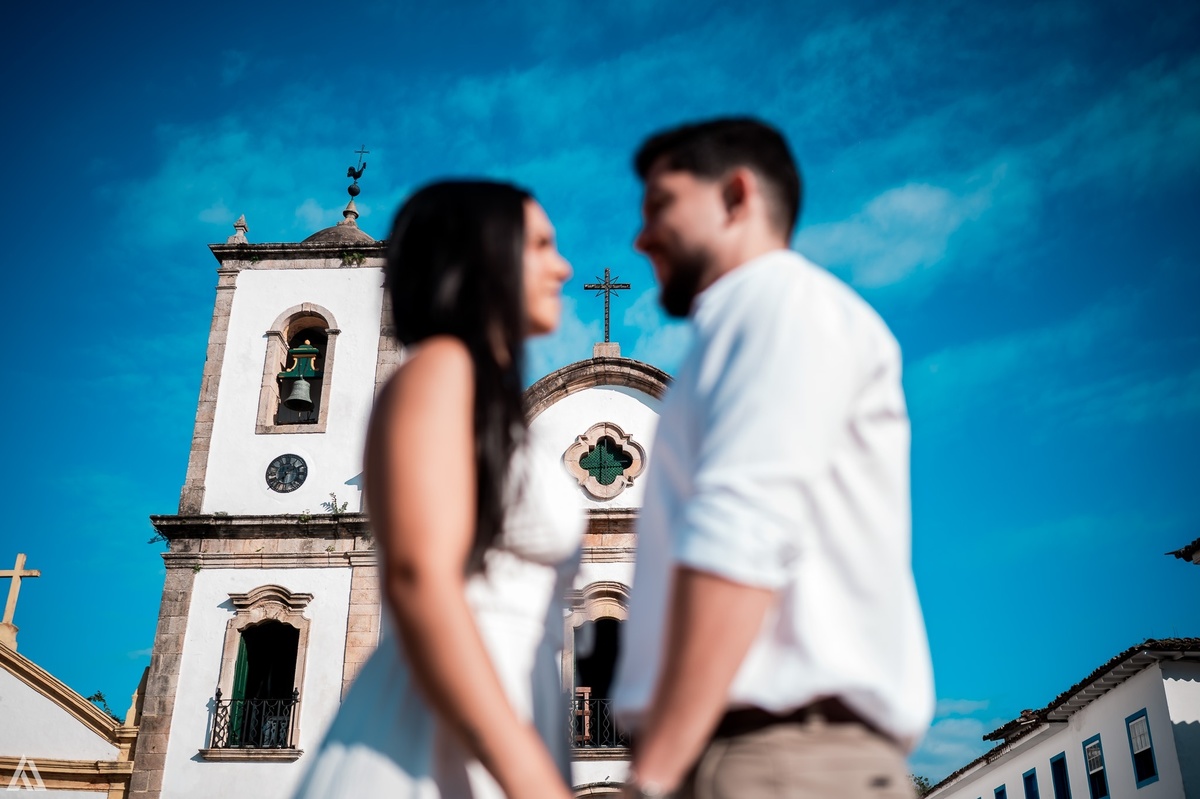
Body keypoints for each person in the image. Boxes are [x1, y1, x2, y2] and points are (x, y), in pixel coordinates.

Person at [611, 118, 935, 799]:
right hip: (752, 755)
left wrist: (654, 772)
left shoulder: (779, 306)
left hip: (774, 761)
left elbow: (743, 533)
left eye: (660, 206)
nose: (640, 237)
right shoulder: (747, 325)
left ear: (735, 195)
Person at [293, 181, 582, 799]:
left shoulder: (484, 402)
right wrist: (532, 779)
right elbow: (420, 578)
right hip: (433, 748)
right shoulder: (440, 370)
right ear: (481, 257)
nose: (564, 266)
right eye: (539, 245)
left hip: (496, 727)